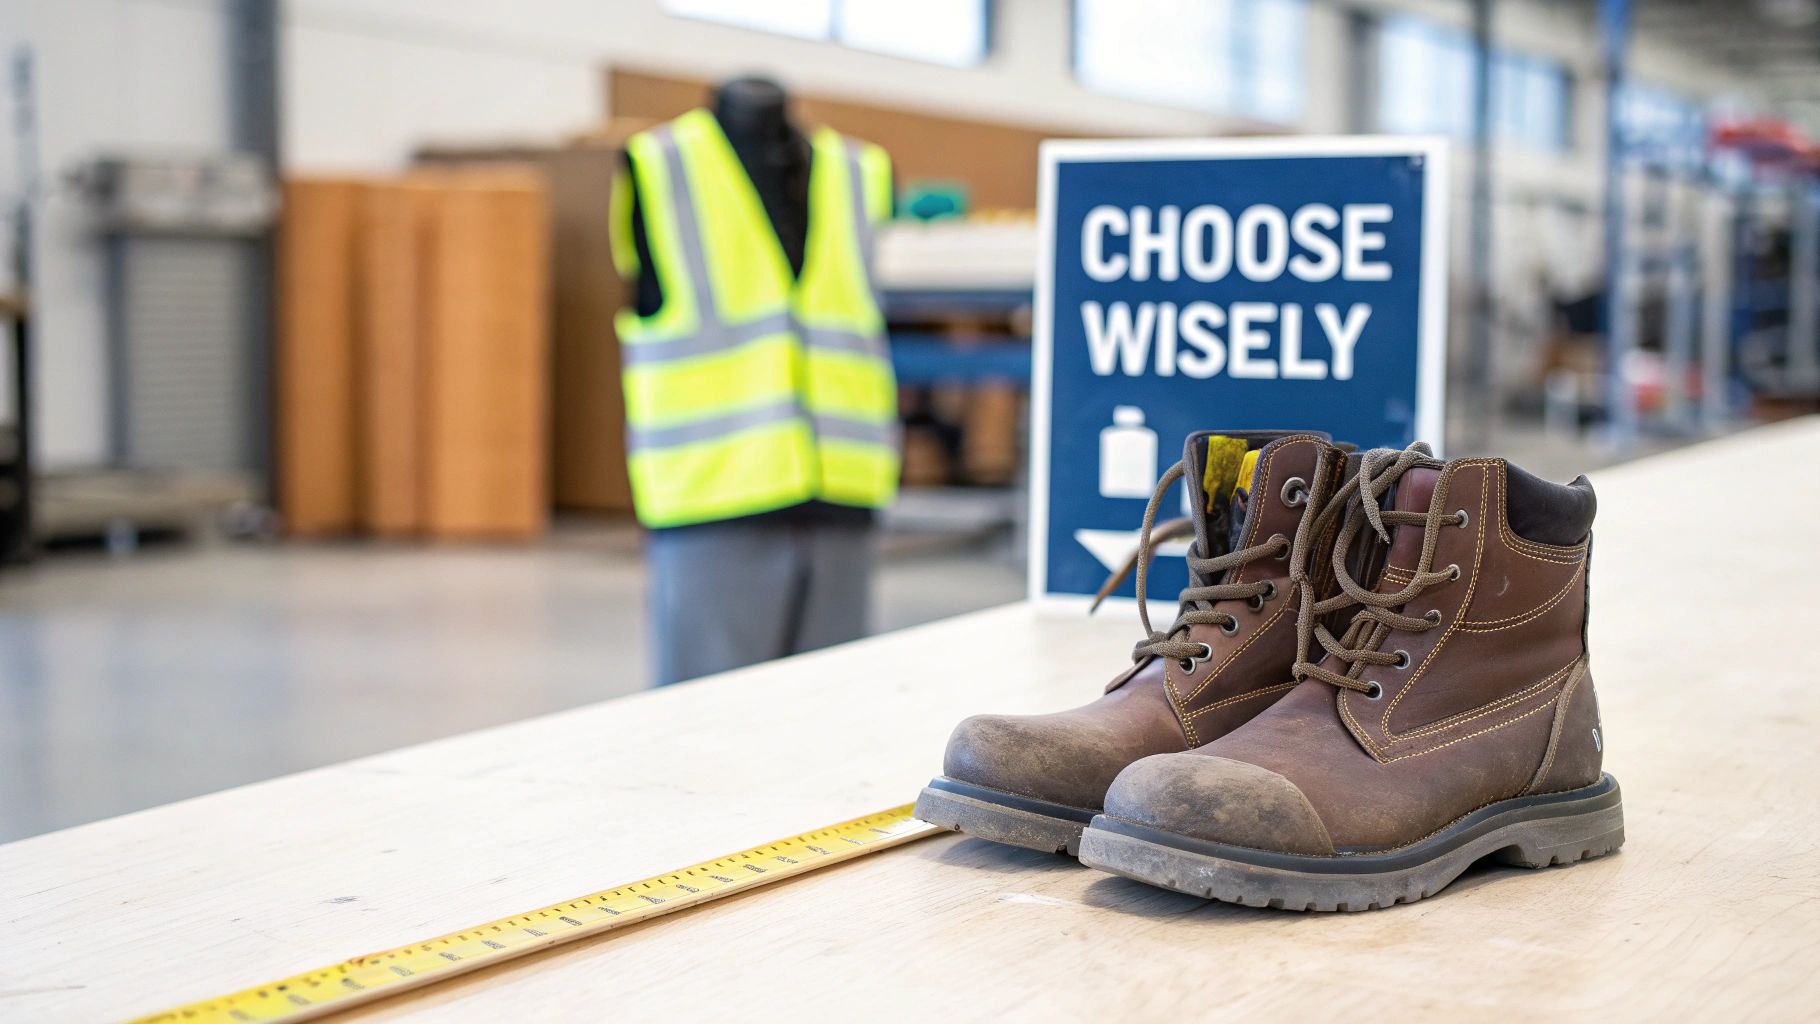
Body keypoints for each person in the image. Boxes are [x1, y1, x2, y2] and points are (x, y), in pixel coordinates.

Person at [611, 76, 899, 687]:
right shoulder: (660, 166)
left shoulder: (860, 172)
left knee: (832, 729)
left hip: (842, 500)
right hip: (712, 503)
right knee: (707, 734)